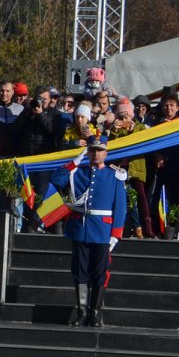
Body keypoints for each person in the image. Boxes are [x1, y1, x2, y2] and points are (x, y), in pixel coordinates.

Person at [63, 135, 126, 327]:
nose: (95, 154)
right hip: (81, 228)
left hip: (102, 230)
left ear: (106, 153)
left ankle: (95, 312)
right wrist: (76, 159)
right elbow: (57, 178)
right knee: (79, 271)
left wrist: (116, 234)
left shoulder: (114, 175)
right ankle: (81, 312)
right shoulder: (78, 172)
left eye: (99, 150)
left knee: (99, 272)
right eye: (92, 150)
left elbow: (120, 206)